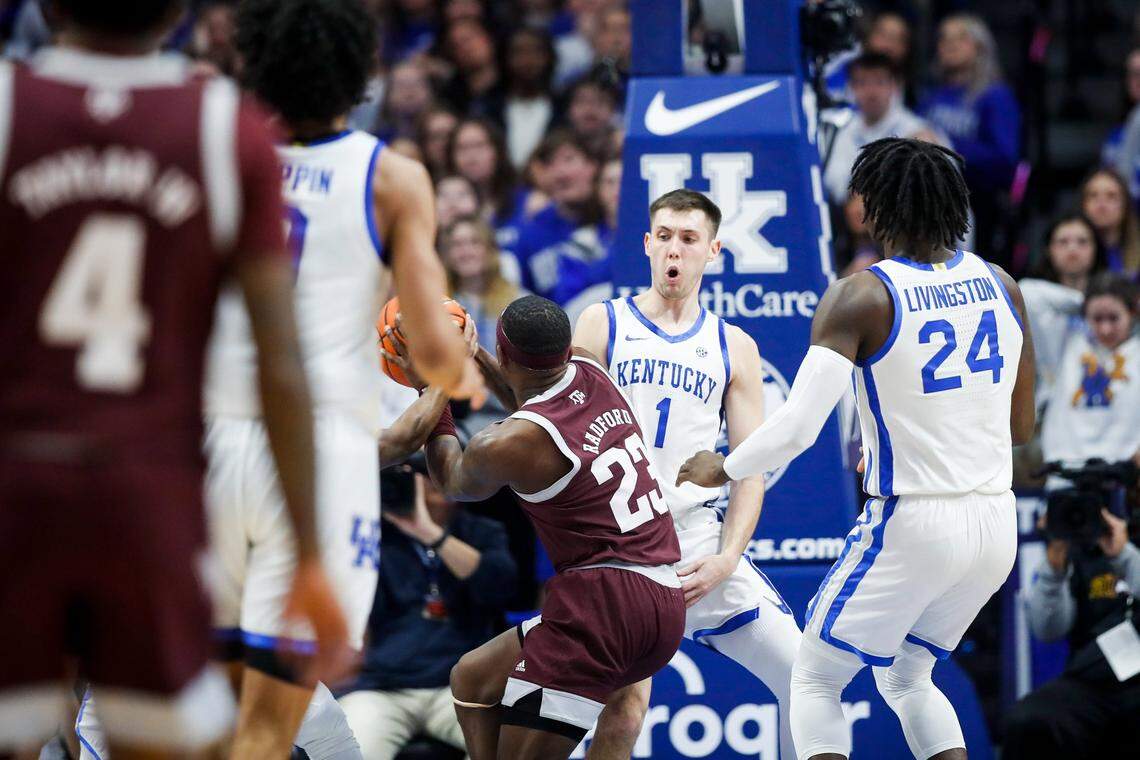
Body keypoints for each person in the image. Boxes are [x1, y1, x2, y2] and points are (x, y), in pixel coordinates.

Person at [0, 0, 348, 754]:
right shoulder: (225, 129)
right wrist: (312, 556)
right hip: (147, 495)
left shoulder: (5, 107)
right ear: (183, 14)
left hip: (19, 482)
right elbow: (279, 368)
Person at [678, 137, 1036, 760]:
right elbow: (1022, 426)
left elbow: (798, 428)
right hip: (994, 521)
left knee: (813, 678)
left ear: (874, 207)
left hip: (916, 519)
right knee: (908, 676)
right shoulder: (1002, 283)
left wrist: (723, 466)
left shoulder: (862, 294)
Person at [208, 0, 473, 756]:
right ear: (362, 72)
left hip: (209, 441)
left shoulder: (212, 155)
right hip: (321, 452)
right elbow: (437, 355)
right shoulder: (391, 177)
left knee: (213, 717)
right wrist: (453, 351)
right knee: (267, 729)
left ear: (253, 63)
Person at [569, 188, 802, 759]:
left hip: (696, 540)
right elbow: (558, 434)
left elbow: (750, 472)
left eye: (689, 239)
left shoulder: (734, 346)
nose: (675, 249)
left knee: (804, 676)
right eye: (665, 237)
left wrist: (726, 558)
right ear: (648, 245)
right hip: (618, 542)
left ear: (712, 250)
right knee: (621, 712)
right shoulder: (603, 323)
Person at [430, 296, 686, 760]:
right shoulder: (593, 371)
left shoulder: (508, 442)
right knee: (473, 678)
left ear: (505, 355)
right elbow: (533, 403)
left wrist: (433, 387)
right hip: (664, 599)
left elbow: (452, 480)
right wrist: (473, 357)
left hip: (606, 603)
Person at [339, 472, 518, 760]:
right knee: (344, 750)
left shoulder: (483, 532)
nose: (429, 478)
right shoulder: (373, 537)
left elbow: (500, 587)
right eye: (417, 472)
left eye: (435, 469)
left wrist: (429, 532)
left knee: (512, 747)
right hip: (384, 689)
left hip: (463, 687)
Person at [1003, 471, 1140, 756]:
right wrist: (1054, 566)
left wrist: (1123, 555)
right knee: (1030, 719)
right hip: (1092, 680)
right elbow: (1048, 630)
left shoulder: (1127, 549)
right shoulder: (1073, 552)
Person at [921, 14, 1021, 269]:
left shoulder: (996, 96)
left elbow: (1005, 159)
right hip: (933, 203)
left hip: (979, 204)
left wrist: (946, 148)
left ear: (980, 46)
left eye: (961, 37)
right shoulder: (932, 96)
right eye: (944, 38)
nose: (950, 43)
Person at [1040, 274, 1140, 467]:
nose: (1105, 329)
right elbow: (1029, 294)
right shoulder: (1065, 344)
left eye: (1114, 318)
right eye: (1097, 318)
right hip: (1065, 476)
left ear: (1132, 314)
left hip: (1123, 479)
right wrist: (1086, 301)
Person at [823, 52, 943, 205]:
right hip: (857, 215)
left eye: (879, 82)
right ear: (851, 88)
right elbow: (834, 182)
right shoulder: (844, 130)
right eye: (862, 83)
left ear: (894, 86)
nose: (871, 92)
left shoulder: (918, 130)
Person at [1019, 214, 1108, 408]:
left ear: (1096, 249)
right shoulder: (1034, 295)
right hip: (1050, 407)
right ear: (1049, 250)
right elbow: (1025, 289)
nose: (1072, 248)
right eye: (1063, 242)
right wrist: (1106, 302)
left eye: (1082, 241)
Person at [511, 130, 604, 304]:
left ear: (592, 166)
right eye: (550, 164)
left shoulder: (612, 222)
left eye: (569, 159)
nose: (560, 172)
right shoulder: (532, 232)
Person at [502, 27, 557, 169]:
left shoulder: (563, 107)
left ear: (549, 57)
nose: (528, 60)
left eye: (536, 51)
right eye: (519, 52)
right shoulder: (491, 108)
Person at [1079, 168, 1140, 280]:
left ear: (1125, 205)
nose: (1101, 204)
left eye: (1111, 196)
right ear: (1083, 205)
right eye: (1093, 195)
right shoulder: (1072, 248)